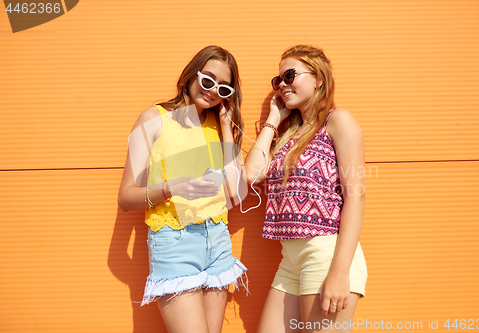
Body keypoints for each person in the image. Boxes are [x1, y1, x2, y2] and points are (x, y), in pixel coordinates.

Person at [117, 45, 247, 333]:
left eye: (223, 88)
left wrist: (227, 128)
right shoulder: (153, 119)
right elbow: (125, 197)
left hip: (217, 240)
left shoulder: (218, 125)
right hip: (173, 243)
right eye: (208, 79)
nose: (213, 91)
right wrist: (173, 187)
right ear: (192, 73)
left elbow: (237, 193)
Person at [244, 45, 367, 333]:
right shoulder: (289, 134)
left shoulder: (337, 121)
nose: (283, 86)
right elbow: (251, 173)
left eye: (289, 75)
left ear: (319, 79)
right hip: (290, 258)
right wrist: (274, 119)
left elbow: (356, 195)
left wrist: (339, 272)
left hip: (326, 253)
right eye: (278, 81)